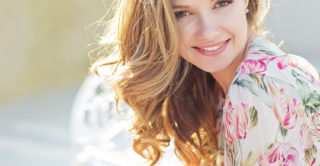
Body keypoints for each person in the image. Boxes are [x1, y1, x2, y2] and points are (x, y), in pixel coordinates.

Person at [86, 0, 320, 165]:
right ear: (160, 24)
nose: (207, 32)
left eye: (222, 3)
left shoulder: (257, 87)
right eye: (182, 13)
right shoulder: (222, 84)